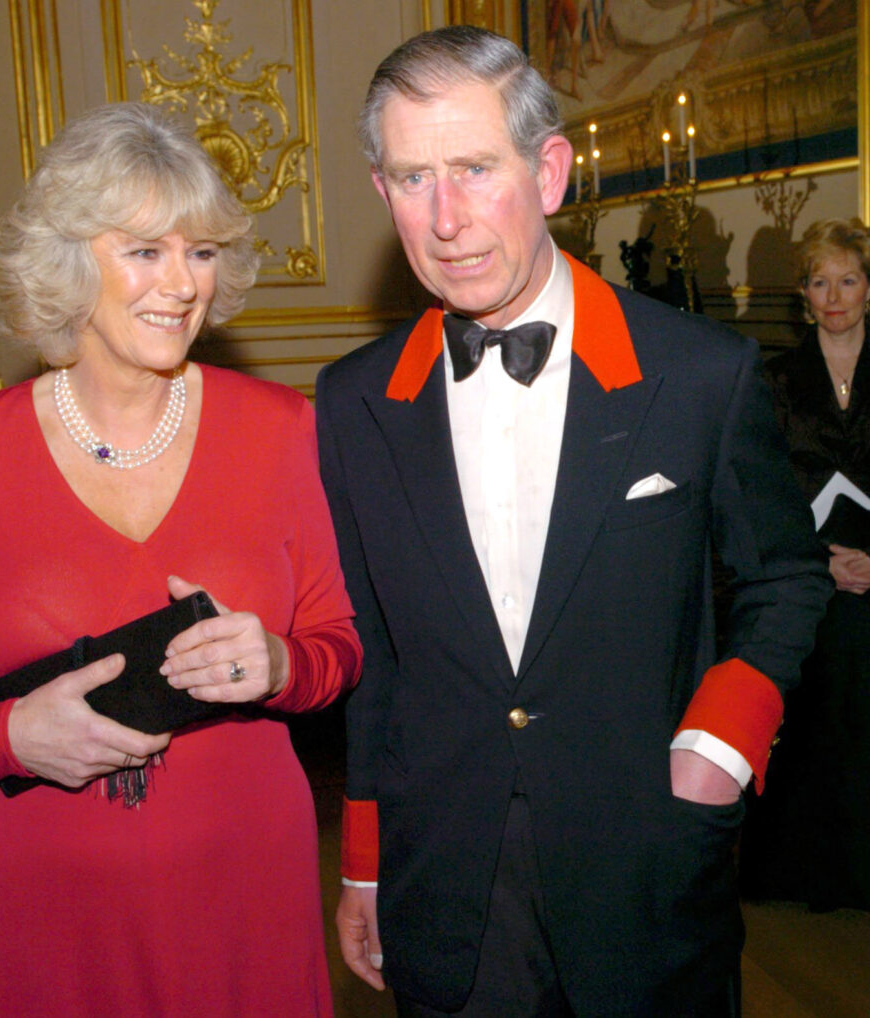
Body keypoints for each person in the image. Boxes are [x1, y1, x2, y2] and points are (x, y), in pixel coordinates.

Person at [315, 26, 832, 1017]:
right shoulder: (353, 403)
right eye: (414, 178)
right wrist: (366, 863)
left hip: (645, 864)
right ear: (382, 194)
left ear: (547, 171)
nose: (447, 218)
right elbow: (377, 656)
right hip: (449, 886)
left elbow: (785, 576)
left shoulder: (697, 376)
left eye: (474, 169)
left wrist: (721, 744)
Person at [0, 101, 361, 1017]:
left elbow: (339, 646)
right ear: (67, 261)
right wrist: (5, 737)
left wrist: (281, 663)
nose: (181, 285)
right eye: (144, 251)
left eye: (200, 253)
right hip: (43, 897)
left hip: (246, 881)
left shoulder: (283, 431)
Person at [741, 217, 870, 911]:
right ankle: (808, 873)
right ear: (803, 295)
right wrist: (823, 561)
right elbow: (760, 489)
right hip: (808, 572)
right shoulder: (775, 381)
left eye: (848, 279)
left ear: (869, 288)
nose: (835, 295)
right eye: (820, 281)